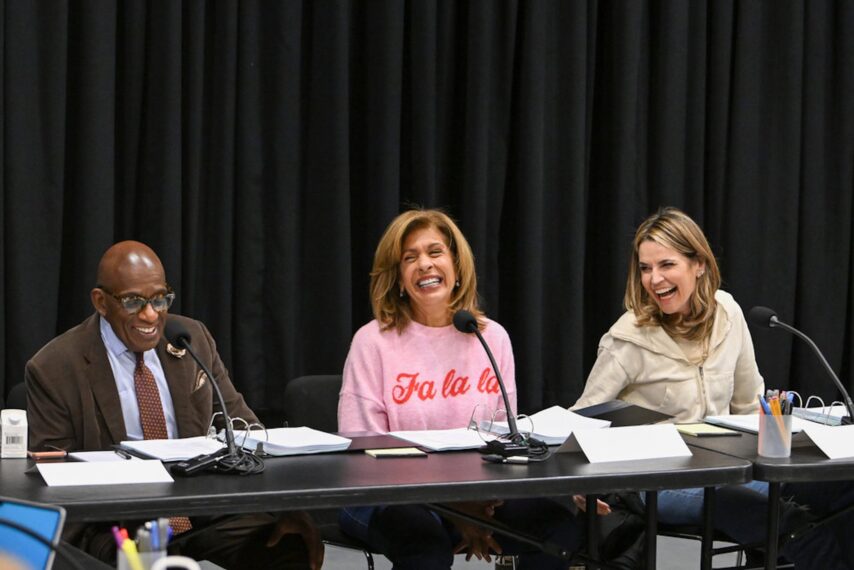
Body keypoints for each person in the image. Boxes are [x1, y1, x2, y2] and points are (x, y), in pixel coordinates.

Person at [572, 207, 853, 568]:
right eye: (645, 268)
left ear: (699, 264)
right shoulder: (627, 337)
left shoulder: (728, 313)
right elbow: (583, 420)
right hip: (657, 481)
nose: (654, 279)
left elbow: (749, 404)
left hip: (730, 467)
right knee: (781, 518)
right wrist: (580, 483)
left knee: (841, 490)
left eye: (666, 265)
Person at [25, 241, 324, 570]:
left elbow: (245, 430)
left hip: (202, 509)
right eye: (133, 302)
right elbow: (51, 478)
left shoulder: (191, 338)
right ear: (101, 302)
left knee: (287, 547)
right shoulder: (55, 367)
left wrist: (287, 508)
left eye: (159, 299)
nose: (151, 314)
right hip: (118, 520)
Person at [337, 208, 583, 569]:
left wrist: (479, 503)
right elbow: (364, 454)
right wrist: (454, 507)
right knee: (424, 545)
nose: (424, 264)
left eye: (435, 252)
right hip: (385, 494)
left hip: (478, 492)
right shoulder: (372, 341)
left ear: (456, 266)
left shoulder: (490, 337)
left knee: (558, 530)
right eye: (410, 258)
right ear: (398, 278)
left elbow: (503, 441)